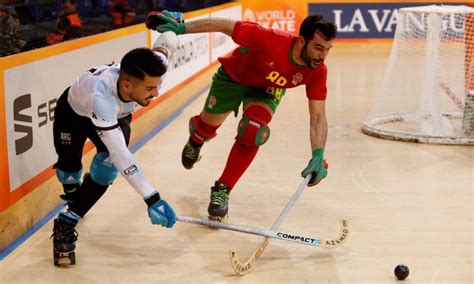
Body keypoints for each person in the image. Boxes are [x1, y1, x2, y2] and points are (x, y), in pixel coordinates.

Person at [146, 13, 336, 222]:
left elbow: (318, 117)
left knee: (253, 132)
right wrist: (180, 28)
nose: (322, 56)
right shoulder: (270, 39)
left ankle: (222, 190)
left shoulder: (318, 71)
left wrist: (318, 154)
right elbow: (223, 25)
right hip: (234, 77)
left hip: (267, 89)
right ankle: (197, 137)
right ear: (302, 41)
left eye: (327, 49)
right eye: (318, 48)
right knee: (206, 128)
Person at [51, 29, 181, 266]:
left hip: (116, 116)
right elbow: (121, 154)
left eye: (157, 86)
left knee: (107, 168)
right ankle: (74, 194)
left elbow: (167, 42)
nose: (156, 93)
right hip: (74, 113)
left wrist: (173, 25)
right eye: (150, 89)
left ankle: (67, 221)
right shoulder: (101, 96)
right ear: (127, 85)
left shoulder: (151, 69)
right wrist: (153, 199)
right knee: (69, 173)